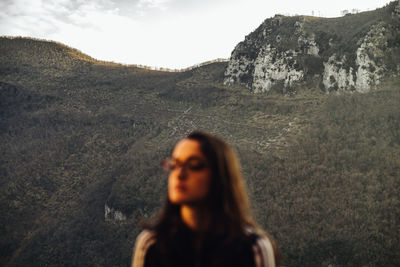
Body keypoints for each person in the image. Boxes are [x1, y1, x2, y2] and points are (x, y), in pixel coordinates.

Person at [131, 131, 280, 267]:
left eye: (194, 165)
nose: (180, 174)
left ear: (220, 176)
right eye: (174, 165)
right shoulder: (152, 244)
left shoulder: (253, 248)